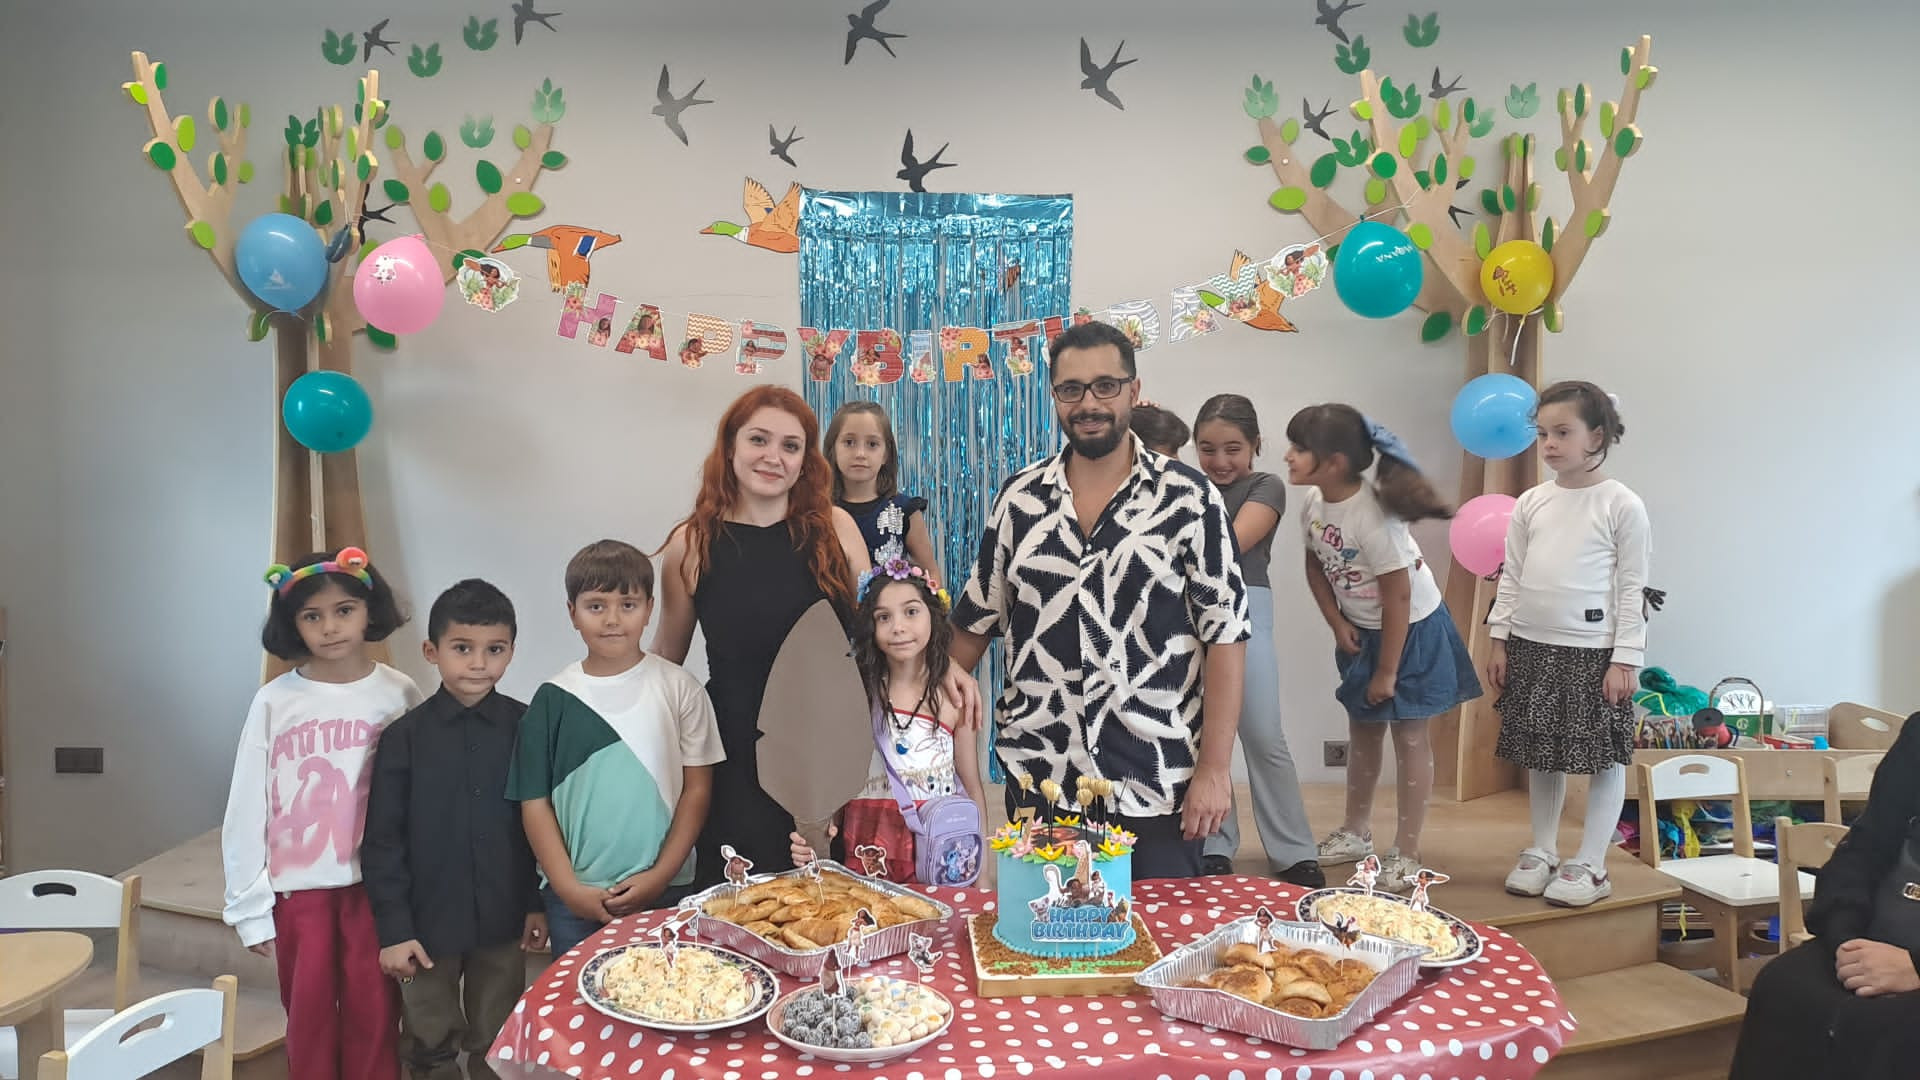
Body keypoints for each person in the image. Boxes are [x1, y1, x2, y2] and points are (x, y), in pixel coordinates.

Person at [950, 320, 1250, 879]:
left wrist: (1215, 768)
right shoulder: (1020, 500)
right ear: (1054, 396)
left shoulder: (1189, 500)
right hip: (1040, 776)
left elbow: (1226, 635)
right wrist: (909, 711)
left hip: (1155, 779)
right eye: (1072, 389)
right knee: (1041, 929)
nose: (1089, 404)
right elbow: (976, 620)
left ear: (1134, 390)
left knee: (1157, 933)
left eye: (1105, 386)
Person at [655, 387, 908, 886]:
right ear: (730, 445)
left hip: (829, 752)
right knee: (741, 906)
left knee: (832, 903)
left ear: (806, 459)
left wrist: (939, 676)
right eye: (759, 440)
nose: (773, 456)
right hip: (734, 756)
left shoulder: (835, 528)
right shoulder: (692, 543)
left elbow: (881, 632)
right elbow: (667, 660)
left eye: (790, 446)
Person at [222, 547, 420, 1080]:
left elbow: (420, 794)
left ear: (369, 610)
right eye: (312, 616)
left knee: (375, 1015)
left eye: (343, 610)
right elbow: (246, 804)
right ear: (293, 624)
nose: (330, 627)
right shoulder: (274, 701)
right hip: (300, 891)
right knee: (308, 1018)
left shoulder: (398, 691)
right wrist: (248, 905)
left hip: (374, 887)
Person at [1287, 404, 1481, 893]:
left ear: (1334, 462)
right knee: (1364, 729)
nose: (1287, 455)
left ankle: (1408, 852)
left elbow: (1398, 598)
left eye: (1299, 448)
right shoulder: (1314, 501)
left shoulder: (1374, 518)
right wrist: (1337, 624)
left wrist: (1387, 672)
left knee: (1410, 737)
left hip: (1411, 630)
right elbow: (1314, 566)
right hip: (1362, 629)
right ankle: (1356, 833)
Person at [362, 579, 544, 1080]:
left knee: (498, 1036)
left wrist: (535, 902)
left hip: (503, 917)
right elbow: (382, 841)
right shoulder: (403, 739)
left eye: (494, 649)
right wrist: (395, 931)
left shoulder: (527, 727)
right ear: (432, 651)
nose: (479, 663)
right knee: (428, 1038)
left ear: (511, 651)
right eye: (462, 648)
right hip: (426, 923)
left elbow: (538, 827)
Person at [506, 540, 724, 957]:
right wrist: (569, 888)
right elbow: (533, 803)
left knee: (667, 988)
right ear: (572, 612)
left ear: (649, 609)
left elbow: (697, 790)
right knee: (578, 993)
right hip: (574, 899)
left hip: (667, 889)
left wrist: (660, 876)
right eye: (596, 606)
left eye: (628, 604)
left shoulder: (681, 688)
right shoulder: (552, 699)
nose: (612, 619)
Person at [1488, 382, 1651, 908]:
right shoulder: (1532, 502)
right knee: (1542, 754)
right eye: (1543, 434)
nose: (1550, 444)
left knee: (1604, 756)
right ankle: (1542, 849)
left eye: (1562, 432)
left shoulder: (1621, 504)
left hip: (1594, 652)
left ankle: (1592, 863)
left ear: (1596, 437)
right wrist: (1499, 638)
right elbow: (1511, 575)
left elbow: (1633, 586)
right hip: (1532, 645)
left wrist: (1625, 657)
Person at [1730, 713, 1920, 1080]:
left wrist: (1915, 966)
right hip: (1879, 933)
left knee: (1891, 1030)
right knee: (1782, 985)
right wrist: (1848, 939)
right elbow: (1866, 845)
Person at [1191, 394, 1323, 886]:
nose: (1220, 461)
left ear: (1255, 445)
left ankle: (1294, 850)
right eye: (1207, 449)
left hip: (1247, 605)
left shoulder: (1266, 486)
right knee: (1202, 734)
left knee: (1264, 733)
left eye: (1233, 449)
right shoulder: (1186, 486)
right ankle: (1212, 843)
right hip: (1186, 611)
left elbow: (1227, 545)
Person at [788, 560, 986, 883]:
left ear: (933, 615)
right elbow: (838, 779)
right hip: (870, 842)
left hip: (938, 847)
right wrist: (820, 833)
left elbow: (972, 787)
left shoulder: (954, 698)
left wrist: (982, 877)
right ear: (871, 627)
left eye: (911, 612)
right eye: (884, 617)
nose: (898, 627)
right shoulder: (856, 697)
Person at [825, 400, 943, 572]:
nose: (860, 454)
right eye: (849, 442)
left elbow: (931, 573)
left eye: (872, 444)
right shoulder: (818, 510)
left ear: (886, 454)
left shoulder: (905, 511)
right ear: (833, 449)